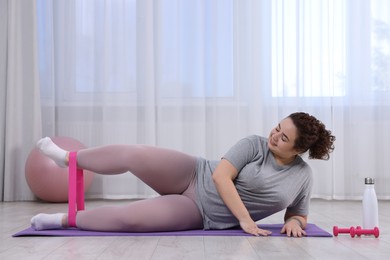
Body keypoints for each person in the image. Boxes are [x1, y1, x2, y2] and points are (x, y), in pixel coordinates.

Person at [31, 112, 335, 237]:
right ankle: (68, 158)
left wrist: (295, 223)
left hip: (201, 211)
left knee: (131, 219)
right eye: (277, 127)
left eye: (283, 138)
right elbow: (220, 176)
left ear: (297, 150)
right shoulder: (254, 144)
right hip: (193, 173)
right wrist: (245, 220)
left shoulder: (302, 177)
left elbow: (298, 214)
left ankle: (64, 220)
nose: (274, 135)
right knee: (134, 153)